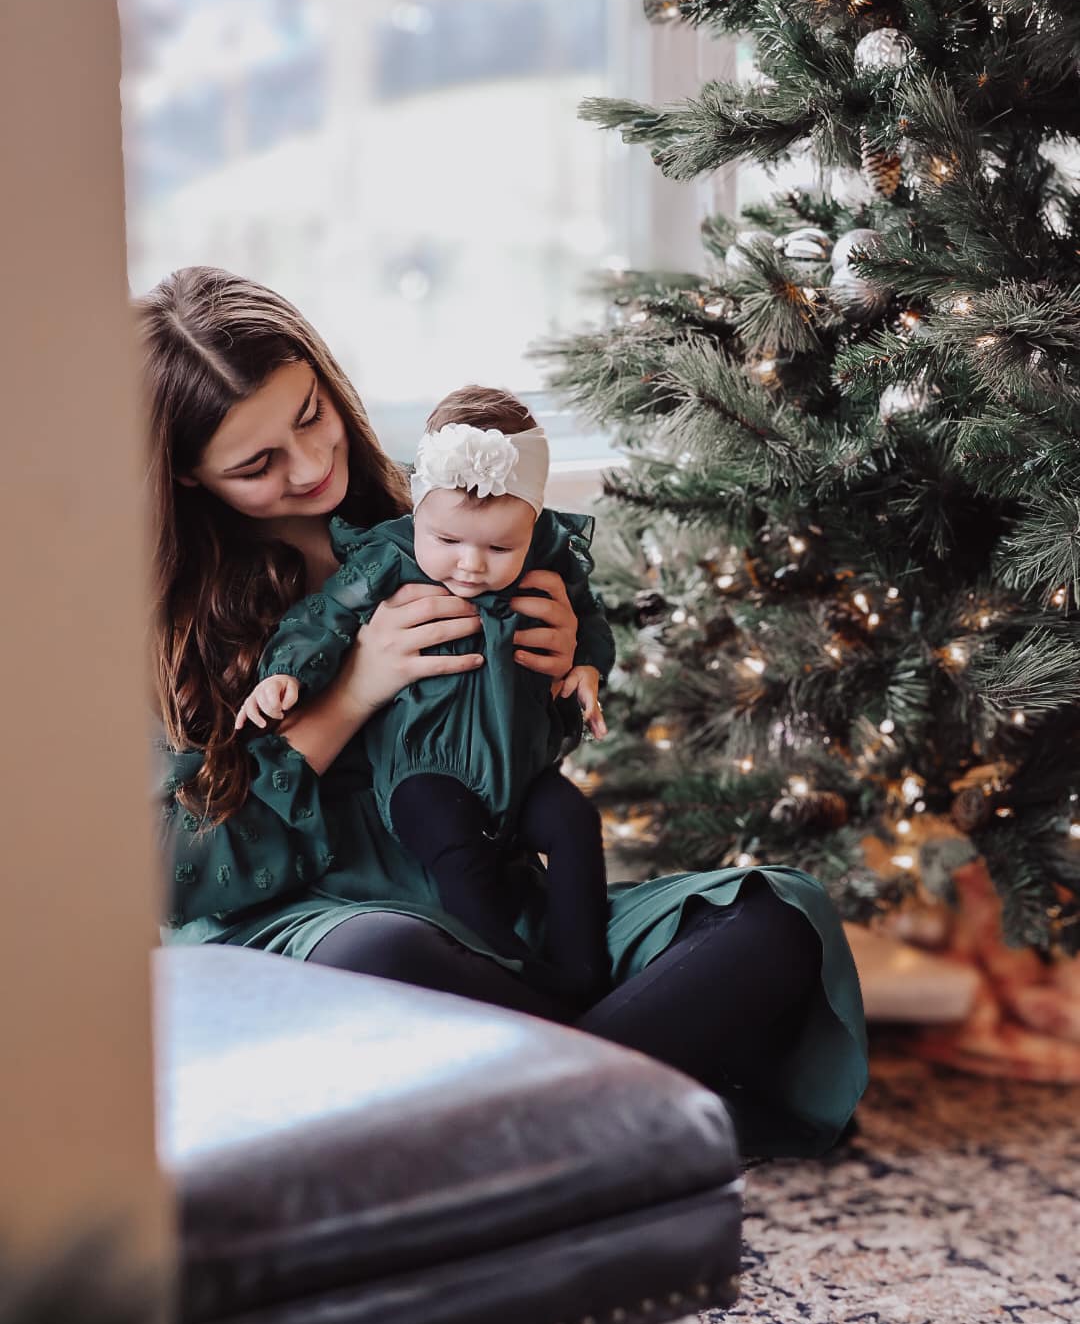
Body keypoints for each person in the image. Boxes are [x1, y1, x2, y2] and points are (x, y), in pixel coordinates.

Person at [144, 265, 868, 1160]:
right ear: (184, 474)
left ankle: (546, 1118)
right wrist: (351, 693)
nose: (309, 466)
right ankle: (638, 1092)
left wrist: (557, 672)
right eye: (257, 464)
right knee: (378, 960)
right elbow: (174, 875)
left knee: (776, 917)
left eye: (310, 417)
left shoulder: (460, 525)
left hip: (497, 919)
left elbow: (519, 770)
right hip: (318, 934)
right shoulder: (156, 628)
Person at [234, 386, 615, 1004]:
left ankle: (583, 971)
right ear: (418, 508)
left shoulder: (548, 556)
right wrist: (288, 675)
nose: (470, 565)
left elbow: (589, 621)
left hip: (517, 769)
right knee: (452, 849)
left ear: (534, 522)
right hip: (424, 767)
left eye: (498, 548)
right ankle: (509, 974)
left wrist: (586, 668)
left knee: (574, 820)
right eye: (449, 541)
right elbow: (322, 619)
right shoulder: (391, 557)